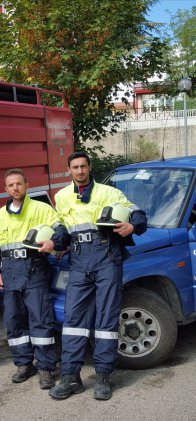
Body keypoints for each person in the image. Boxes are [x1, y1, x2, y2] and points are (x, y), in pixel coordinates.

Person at [49, 152, 147, 401]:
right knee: (73, 321)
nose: (79, 170)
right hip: (79, 261)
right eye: (75, 167)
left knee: (106, 320)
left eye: (83, 166)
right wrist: (55, 242)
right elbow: (62, 228)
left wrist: (132, 227)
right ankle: (71, 377)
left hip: (107, 257)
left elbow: (137, 214)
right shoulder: (61, 197)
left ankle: (103, 377)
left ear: (89, 167)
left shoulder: (109, 192)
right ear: (69, 170)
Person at [0, 169, 68, 390]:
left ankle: (45, 368)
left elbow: (60, 231)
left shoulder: (41, 209)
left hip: (35, 269)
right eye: (11, 185)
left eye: (19, 184)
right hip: (10, 273)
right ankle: (24, 364)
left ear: (26, 185)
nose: (15, 188)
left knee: (40, 320)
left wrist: (55, 243)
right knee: (14, 321)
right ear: (5, 189)